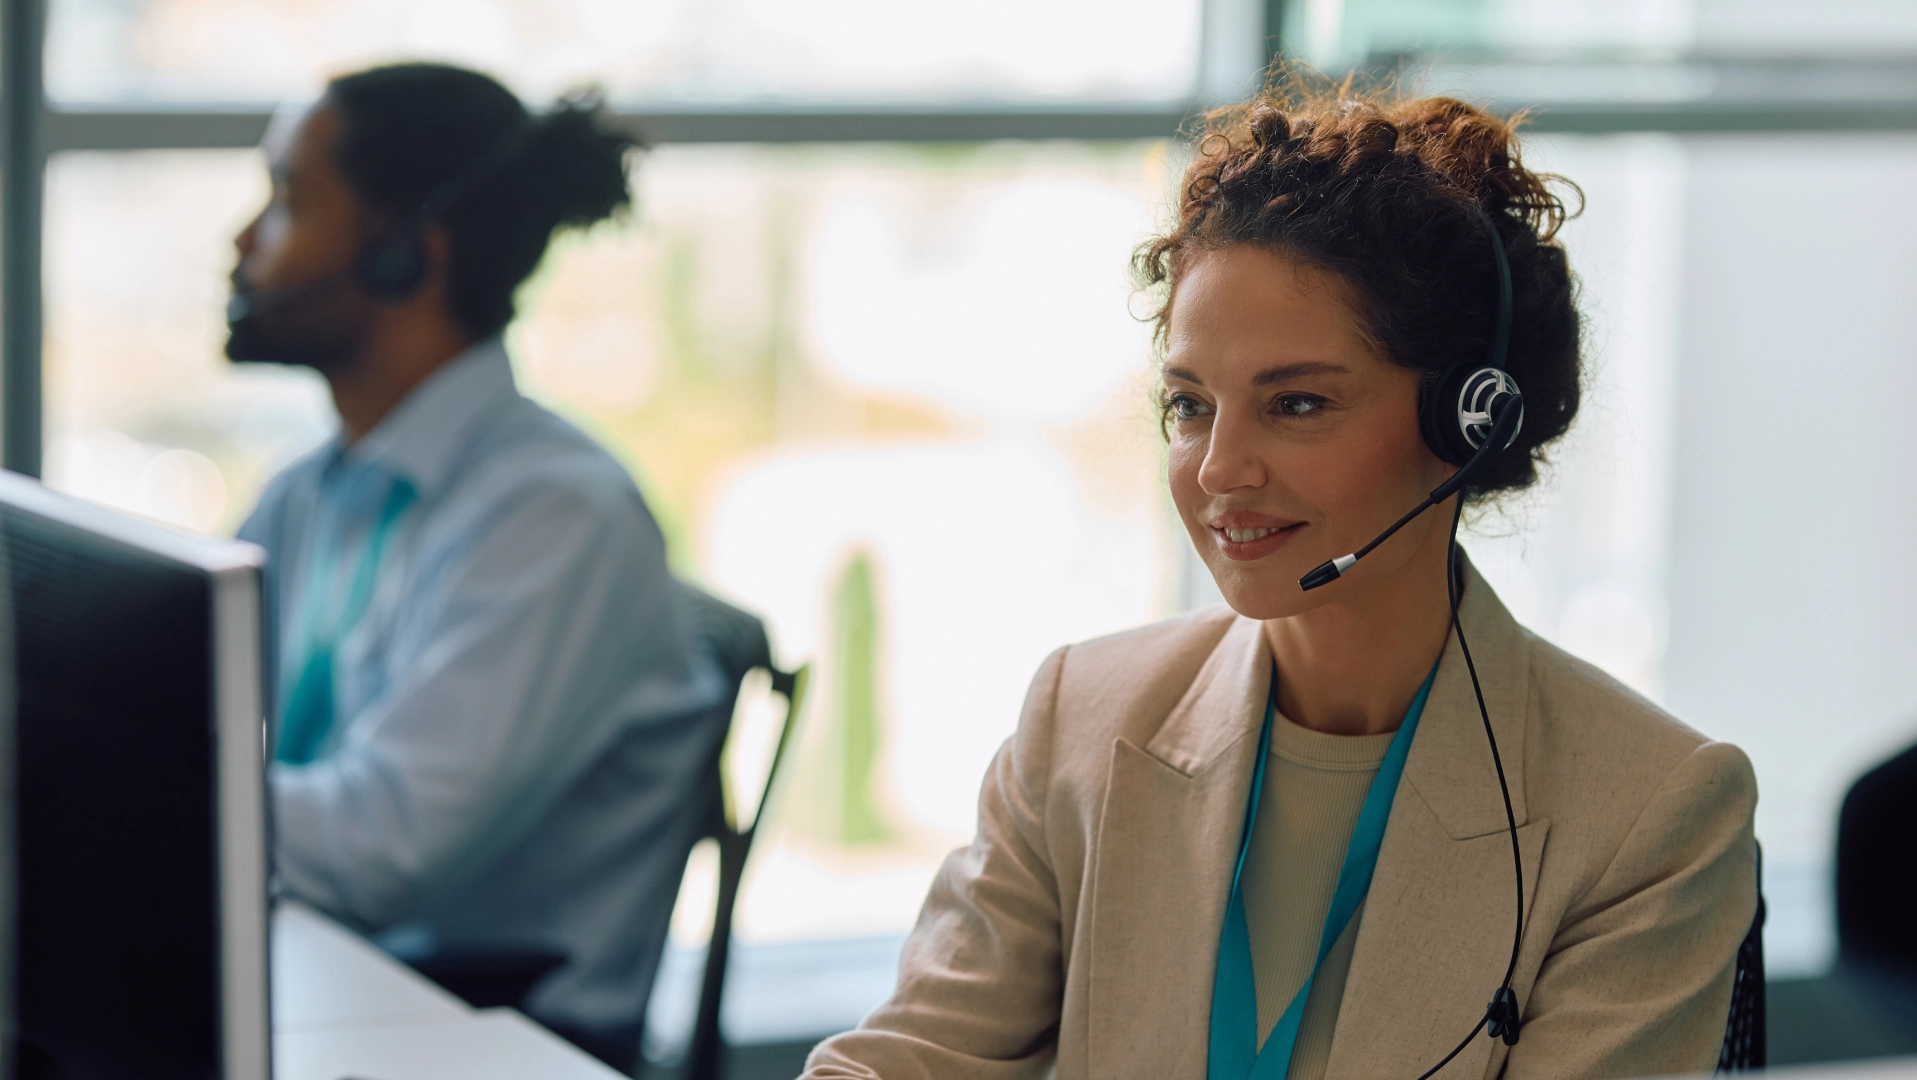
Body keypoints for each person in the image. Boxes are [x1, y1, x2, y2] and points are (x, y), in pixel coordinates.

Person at [802, 78, 1758, 1080]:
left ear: (1468, 425)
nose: (1220, 470)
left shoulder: (1649, 810)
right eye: (1189, 405)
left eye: (1296, 404)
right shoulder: (1080, 721)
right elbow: (911, 1053)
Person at [229, 63, 725, 1067]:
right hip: (339, 1000)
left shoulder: (557, 516)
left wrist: (147, 800)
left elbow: (382, 848)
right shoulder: (311, 493)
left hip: (486, 1040)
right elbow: (207, 721)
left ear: (407, 254)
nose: (245, 243)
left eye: (288, 201)